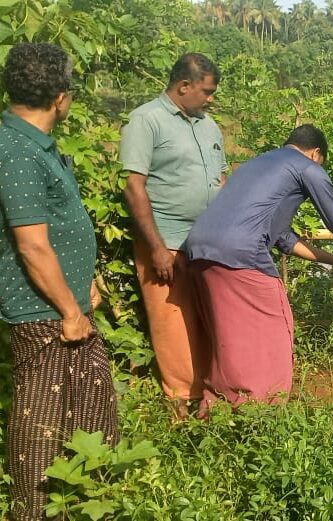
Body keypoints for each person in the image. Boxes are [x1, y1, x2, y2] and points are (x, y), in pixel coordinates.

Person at [185, 125, 333, 410]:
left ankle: (217, 407)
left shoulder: (256, 164)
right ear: (316, 154)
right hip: (241, 253)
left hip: (200, 250)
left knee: (228, 337)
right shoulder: (307, 167)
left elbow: (285, 239)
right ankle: (263, 409)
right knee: (276, 329)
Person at [0, 42, 118, 520]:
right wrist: (69, 310)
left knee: (92, 414)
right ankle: (32, 513)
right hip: (44, 315)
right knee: (41, 430)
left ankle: (86, 507)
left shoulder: (34, 146)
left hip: (66, 308)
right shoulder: (17, 152)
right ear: (61, 98)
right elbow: (31, 244)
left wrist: (82, 285)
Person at [121, 53, 226, 418]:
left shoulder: (209, 126)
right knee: (171, 323)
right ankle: (181, 399)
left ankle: (211, 391)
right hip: (165, 241)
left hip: (206, 241)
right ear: (184, 86)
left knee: (207, 316)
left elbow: (220, 180)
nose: (211, 98)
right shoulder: (146, 120)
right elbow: (135, 187)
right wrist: (156, 248)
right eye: (207, 91)